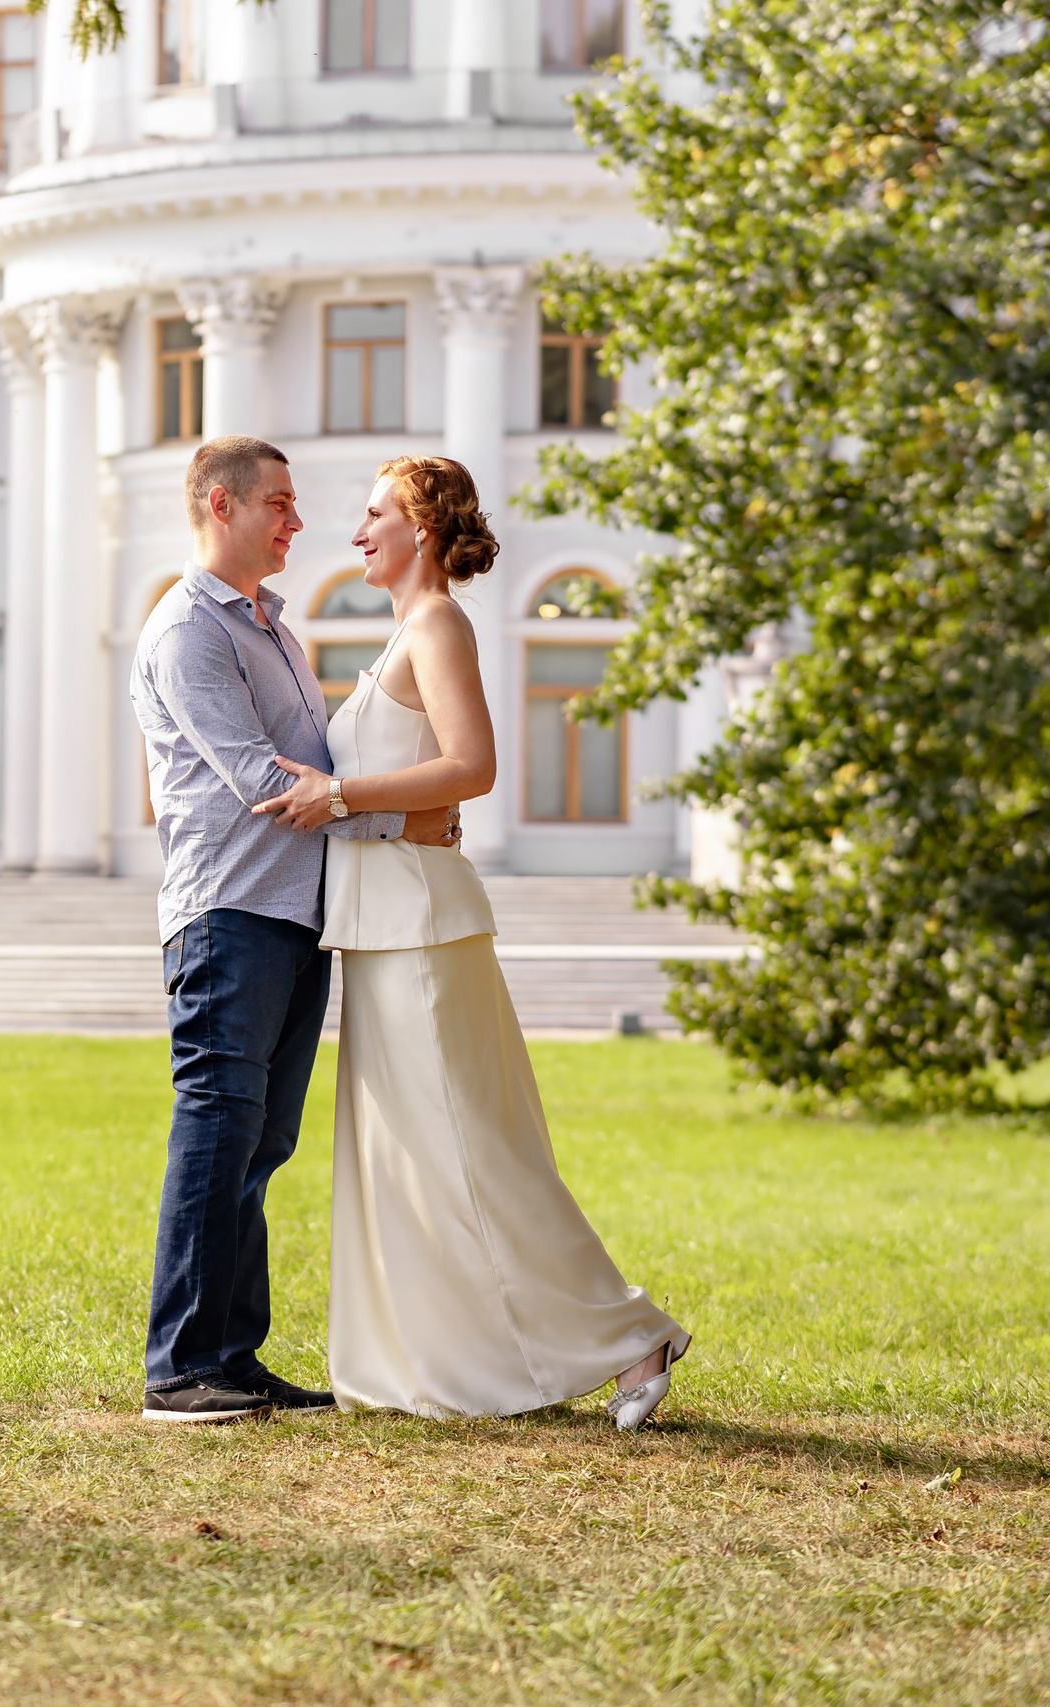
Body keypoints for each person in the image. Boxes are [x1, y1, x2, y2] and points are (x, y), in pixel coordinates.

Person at [254, 455, 690, 1430]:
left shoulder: (438, 623)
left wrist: (344, 794)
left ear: (419, 523)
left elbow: (473, 766)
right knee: (410, 1159)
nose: (356, 533)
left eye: (373, 515)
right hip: (380, 926)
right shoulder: (405, 634)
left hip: (421, 926)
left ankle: (635, 1337)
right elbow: (411, 786)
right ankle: (448, 1367)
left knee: (472, 1152)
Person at [127, 436, 460, 1424]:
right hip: (226, 913)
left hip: (290, 916)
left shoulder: (271, 627)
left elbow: (316, 769)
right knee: (216, 1127)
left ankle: (233, 1356)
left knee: (260, 1143)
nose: (297, 522)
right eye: (277, 501)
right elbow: (260, 780)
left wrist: (373, 803)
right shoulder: (188, 629)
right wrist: (399, 814)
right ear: (220, 507)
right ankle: (180, 1369)